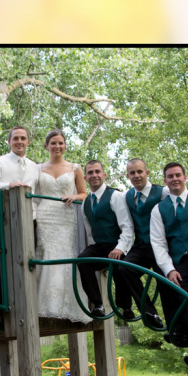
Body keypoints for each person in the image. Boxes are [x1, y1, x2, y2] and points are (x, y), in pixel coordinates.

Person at [151, 162, 188, 364]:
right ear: (165, 181)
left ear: (185, 177)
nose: (174, 179)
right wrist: (169, 269)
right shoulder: (159, 209)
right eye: (170, 176)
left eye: (178, 175)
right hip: (180, 261)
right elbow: (158, 244)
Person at [34, 129, 90, 323]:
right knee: (47, 252)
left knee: (66, 254)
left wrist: (74, 196)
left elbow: (84, 193)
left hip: (65, 217)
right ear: (46, 146)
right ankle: (46, 304)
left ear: (65, 146)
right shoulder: (38, 168)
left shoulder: (75, 168)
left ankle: (67, 304)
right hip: (45, 216)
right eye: (53, 143)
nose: (57, 146)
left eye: (61, 143)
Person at [75, 159, 141, 321]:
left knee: (119, 267)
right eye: (90, 172)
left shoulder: (116, 196)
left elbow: (127, 227)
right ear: (85, 178)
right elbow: (90, 232)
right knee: (83, 261)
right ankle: (98, 304)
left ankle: (126, 307)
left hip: (118, 244)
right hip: (99, 246)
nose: (94, 175)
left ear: (104, 175)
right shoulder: (86, 203)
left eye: (97, 172)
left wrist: (120, 248)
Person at [115, 159, 167, 328]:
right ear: (128, 176)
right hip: (142, 245)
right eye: (132, 173)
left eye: (139, 172)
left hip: (161, 246)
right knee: (124, 268)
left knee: (165, 284)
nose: (136, 176)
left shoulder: (162, 192)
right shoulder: (126, 196)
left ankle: (175, 327)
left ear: (147, 172)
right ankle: (148, 312)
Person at [0, 126, 39, 192]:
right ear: (9, 142)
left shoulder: (34, 166)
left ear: (28, 142)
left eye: (23, 138)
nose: (19, 141)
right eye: (15, 138)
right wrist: (9, 185)